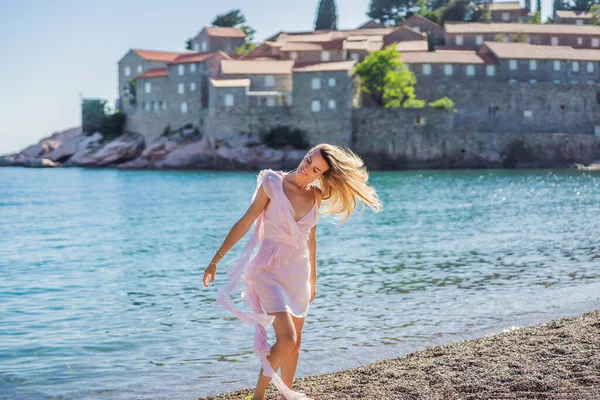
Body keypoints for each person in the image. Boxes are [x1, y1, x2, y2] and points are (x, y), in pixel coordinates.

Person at [203, 143, 383, 400]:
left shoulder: (316, 196)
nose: (307, 168)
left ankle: (286, 396)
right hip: (268, 270)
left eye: (315, 169)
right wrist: (216, 259)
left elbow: (311, 240)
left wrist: (313, 279)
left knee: (295, 343)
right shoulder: (272, 183)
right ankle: (258, 397)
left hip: (298, 274)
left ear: (322, 175)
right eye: (309, 160)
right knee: (286, 339)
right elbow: (245, 221)